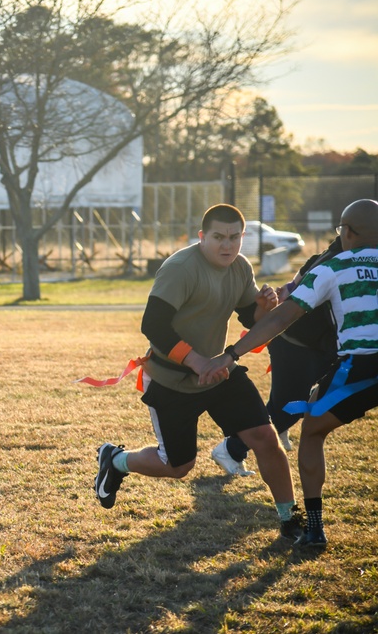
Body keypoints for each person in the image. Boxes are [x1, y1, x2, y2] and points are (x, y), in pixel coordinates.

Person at [94, 204, 303, 542]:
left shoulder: (240, 266)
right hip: (171, 377)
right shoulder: (180, 268)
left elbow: (250, 319)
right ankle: (115, 461)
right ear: (202, 237)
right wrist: (198, 362)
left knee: (265, 437)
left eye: (234, 237)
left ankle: (290, 520)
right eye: (218, 237)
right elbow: (153, 325)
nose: (227, 245)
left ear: (242, 237)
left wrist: (265, 308)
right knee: (178, 467)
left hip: (218, 373)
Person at [200, 199, 378, 548]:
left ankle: (313, 529)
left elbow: (282, 316)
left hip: (361, 366)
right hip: (316, 352)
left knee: (311, 430)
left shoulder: (331, 266)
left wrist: (233, 353)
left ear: (347, 232)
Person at [211, 237, 342, 476]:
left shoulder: (347, 256)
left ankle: (275, 430)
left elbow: (294, 284)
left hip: (325, 346)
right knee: (288, 408)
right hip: (297, 342)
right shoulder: (333, 259)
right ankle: (231, 449)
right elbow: (296, 288)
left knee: (300, 402)